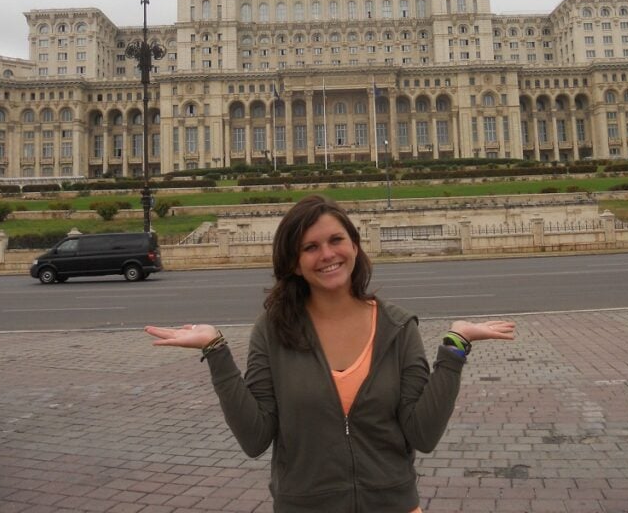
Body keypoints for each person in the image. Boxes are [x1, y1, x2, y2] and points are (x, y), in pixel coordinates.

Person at [145, 194, 516, 513]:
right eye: (310, 247)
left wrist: (455, 347)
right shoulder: (272, 331)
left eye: (336, 240)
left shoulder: (398, 327)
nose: (327, 254)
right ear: (294, 262)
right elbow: (255, 437)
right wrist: (216, 351)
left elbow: (423, 434)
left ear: (354, 245)